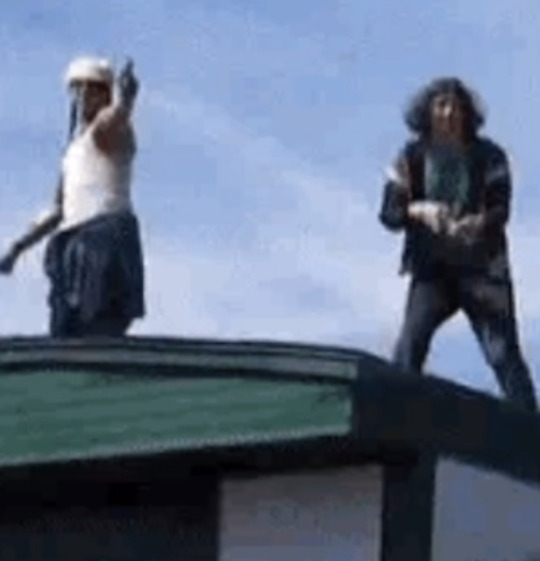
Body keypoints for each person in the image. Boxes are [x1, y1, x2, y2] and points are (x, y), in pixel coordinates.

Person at [379, 76, 537, 413]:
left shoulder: (489, 155)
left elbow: (500, 209)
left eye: (456, 106)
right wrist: (419, 210)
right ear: (427, 112)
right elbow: (390, 214)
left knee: (502, 351)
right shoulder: (410, 157)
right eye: (441, 105)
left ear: (467, 113)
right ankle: (392, 416)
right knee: (410, 345)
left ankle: (528, 426)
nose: (449, 113)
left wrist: (475, 224)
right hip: (432, 271)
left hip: (482, 270)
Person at [0, 55, 145, 337]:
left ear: (104, 93)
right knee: (66, 329)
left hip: (105, 239)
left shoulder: (108, 130)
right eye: (78, 90)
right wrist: (18, 247)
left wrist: (125, 102)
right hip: (72, 246)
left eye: (90, 89)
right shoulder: (74, 152)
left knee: (98, 323)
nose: (82, 96)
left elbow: (115, 121)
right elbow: (57, 211)